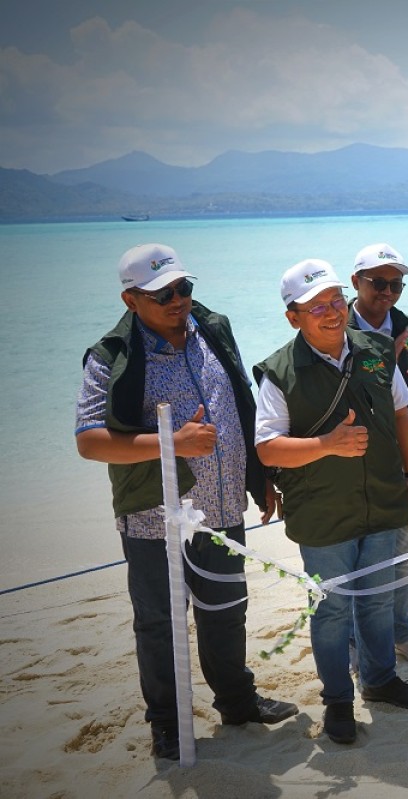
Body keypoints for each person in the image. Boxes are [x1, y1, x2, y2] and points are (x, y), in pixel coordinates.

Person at [75, 243, 298, 761]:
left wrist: (259, 476)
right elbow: (89, 440)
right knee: (159, 621)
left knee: (226, 609)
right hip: (155, 517)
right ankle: (168, 724)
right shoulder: (111, 356)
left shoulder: (212, 328)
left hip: (222, 508)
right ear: (131, 299)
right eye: (162, 294)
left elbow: (241, 400)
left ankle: (237, 702)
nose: (178, 301)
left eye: (184, 288)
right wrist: (174, 441)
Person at [254, 259, 408, 746]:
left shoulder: (376, 349)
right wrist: (326, 446)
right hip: (322, 512)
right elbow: (267, 447)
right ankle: (337, 700)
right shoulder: (279, 371)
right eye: (316, 307)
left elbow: (402, 412)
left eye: (335, 301)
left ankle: (379, 681)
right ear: (294, 317)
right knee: (330, 609)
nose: (331, 313)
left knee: (377, 598)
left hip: (382, 499)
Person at [347, 242, 408, 667]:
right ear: (355, 283)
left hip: (405, 463)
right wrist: (390, 357)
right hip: (347, 464)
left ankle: (401, 633)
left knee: (403, 554)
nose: (387, 292)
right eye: (378, 283)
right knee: (355, 561)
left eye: (396, 284)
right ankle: (352, 641)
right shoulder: (330, 328)